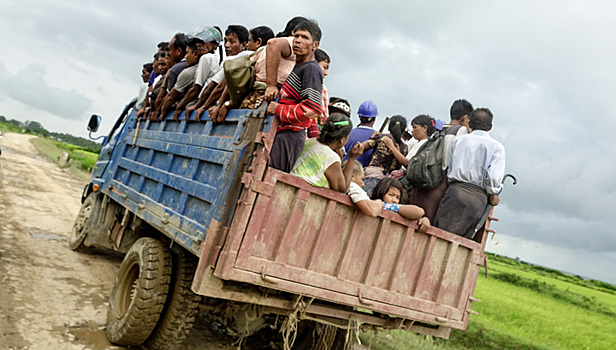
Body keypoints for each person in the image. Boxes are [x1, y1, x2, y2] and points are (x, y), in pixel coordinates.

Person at [434, 108, 506, 238]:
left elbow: (450, 166)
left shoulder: (458, 141)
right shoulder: (497, 148)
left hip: (455, 192)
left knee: (440, 233)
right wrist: (493, 193)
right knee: (461, 239)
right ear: (490, 127)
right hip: (477, 199)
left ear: (470, 124)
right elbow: (494, 178)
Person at [266, 20, 324, 173]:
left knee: (270, 175)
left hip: (290, 137)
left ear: (315, 45)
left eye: (305, 37)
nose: (298, 40)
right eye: (296, 36)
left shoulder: (311, 69)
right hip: (283, 134)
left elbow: (313, 109)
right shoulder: (300, 67)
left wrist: (279, 109)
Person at [208, 25, 275, 123]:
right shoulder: (277, 55)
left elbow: (230, 85)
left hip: (253, 103)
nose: (247, 45)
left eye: (249, 41)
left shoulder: (252, 55)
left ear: (258, 42)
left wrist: (225, 104)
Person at [345, 163, 429, 232]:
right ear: (381, 192)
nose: (394, 200)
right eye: (391, 195)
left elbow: (419, 212)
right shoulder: (372, 203)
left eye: (397, 197)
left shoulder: (389, 207)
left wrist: (423, 219)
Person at [290, 113, 362, 192]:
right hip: (303, 194)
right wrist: (352, 158)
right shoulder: (331, 158)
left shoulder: (309, 142)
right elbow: (342, 188)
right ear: (342, 140)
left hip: (290, 185)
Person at [174, 26, 222, 121]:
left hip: (203, 101)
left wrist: (180, 108)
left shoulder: (207, 58)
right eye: (197, 42)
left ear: (213, 44)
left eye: (202, 42)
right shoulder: (218, 58)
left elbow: (197, 88)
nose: (199, 45)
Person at [361, 115, 408, 196]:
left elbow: (362, 147)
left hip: (373, 175)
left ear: (389, 127)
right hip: (388, 184)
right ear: (403, 131)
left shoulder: (382, 138)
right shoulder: (404, 148)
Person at [263, 16, 308, 102]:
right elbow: (273, 43)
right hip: (274, 95)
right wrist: (271, 85)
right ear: (294, 32)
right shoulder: (294, 41)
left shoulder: (263, 49)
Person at [160, 38, 202, 120]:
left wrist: (162, 111)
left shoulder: (186, 72)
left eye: (187, 53)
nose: (185, 57)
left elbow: (171, 97)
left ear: (196, 54)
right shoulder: (214, 64)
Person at [150, 33, 187, 121]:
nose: (168, 54)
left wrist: (158, 111)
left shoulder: (175, 70)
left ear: (178, 51)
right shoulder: (190, 65)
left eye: (170, 50)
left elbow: (167, 96)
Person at [343, 100, 378, 167]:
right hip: (363, 174)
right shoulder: (376, 137)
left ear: (359, 116)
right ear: (374, 119)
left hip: (345, 169)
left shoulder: (349, 133)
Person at [307, 48, 330, 138]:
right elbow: (323, 117)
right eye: (324, 67)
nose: (326, 73)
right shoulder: (321, 88)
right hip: (312, 132)